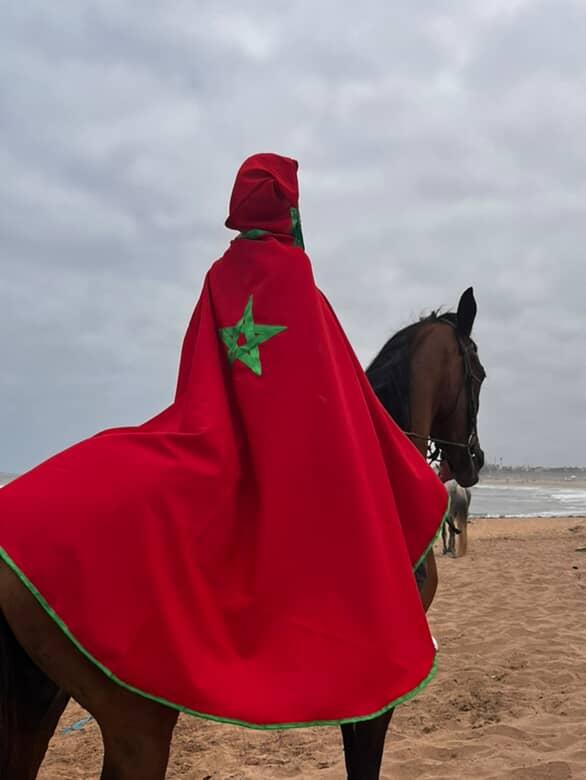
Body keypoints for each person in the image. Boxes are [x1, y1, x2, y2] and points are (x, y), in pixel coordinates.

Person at [0, 154, 448, 727]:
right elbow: (339, 405)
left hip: (207, 442)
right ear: (289, 210)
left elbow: (199, 382)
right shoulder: (298, 285)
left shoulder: (218, 279)